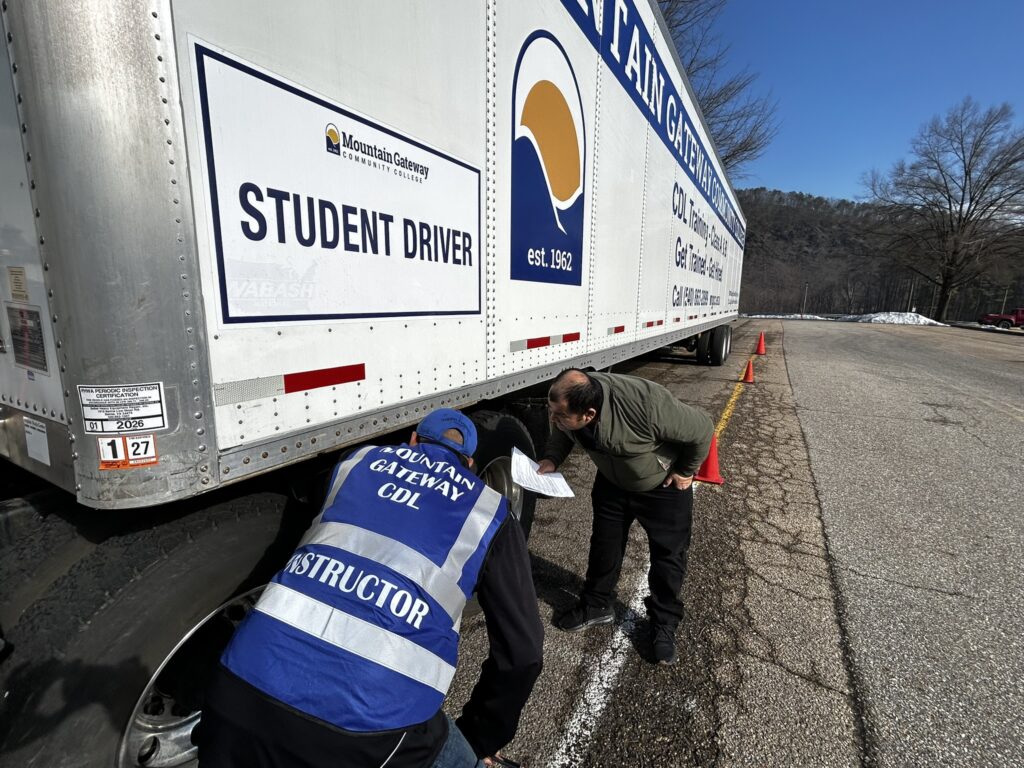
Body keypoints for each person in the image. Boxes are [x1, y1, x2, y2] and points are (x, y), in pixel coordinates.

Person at [199, 408, 543, 767]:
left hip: (237, 690)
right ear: (470, 464)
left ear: (412, 439)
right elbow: (523, 654)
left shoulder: (354, 462)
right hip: (368, 734)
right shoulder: (488, 508)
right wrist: (478, 739)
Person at [537, 368, 713, 665]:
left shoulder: (646, 405)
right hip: (612, 481)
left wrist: (685, 470)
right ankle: (597, 604)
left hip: (661, 484)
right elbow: (563, 430)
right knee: (605, 543)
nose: (553, 419)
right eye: (552, 412)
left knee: (668, 557)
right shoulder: (571, 409)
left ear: (589, 414)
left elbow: (702, 429)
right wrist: (553, 458)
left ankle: (663, 623)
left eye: (560, 415)